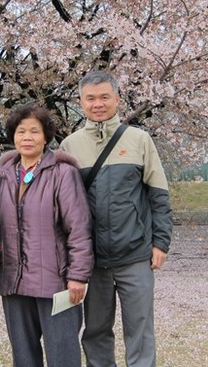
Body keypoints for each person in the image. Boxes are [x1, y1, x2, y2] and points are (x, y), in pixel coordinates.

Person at [59, 71, 173, 367]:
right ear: (81, 102)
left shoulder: (139, 139)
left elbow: (158, 194)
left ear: (117, 99)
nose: (98, 104)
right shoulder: (69, 146)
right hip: (92, 261)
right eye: (91, 98)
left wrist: (161, 242)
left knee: (140, 330)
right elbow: (61, 205)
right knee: (96, 330)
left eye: (104, 97)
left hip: (135, 255)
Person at [0, 105, 93, 367]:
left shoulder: (63, 173)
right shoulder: (7, 174)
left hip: (56, 282)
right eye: (21, 131)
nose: (27, 137)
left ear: (46, 136)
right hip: (15, 280)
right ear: (13, 137)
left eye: (34, 131)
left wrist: (78, 275)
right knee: (24, 355)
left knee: (63, 354)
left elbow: (78, 228)